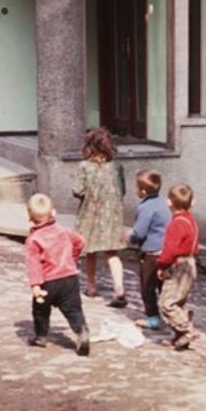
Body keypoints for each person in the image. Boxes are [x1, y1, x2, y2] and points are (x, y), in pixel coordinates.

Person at [25, 193, 91, 356]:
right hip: (69, 278)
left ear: (30, 217)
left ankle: (41, 336)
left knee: (40, 309)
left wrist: (35, 285)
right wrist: (72, 258)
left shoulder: (34, 239)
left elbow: (33, 264)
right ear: (53, 213)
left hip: (48, 281)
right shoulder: (63, 231)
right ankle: (81, 331)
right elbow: (80, 241)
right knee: (74, 309)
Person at [72, 128, 127, 307]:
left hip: (91, 214)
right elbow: (122, 190)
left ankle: (91, 286)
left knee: (91, 251)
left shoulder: (85, 166)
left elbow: (78, 190)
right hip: (112, 215)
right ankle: (119, 288)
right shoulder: (117, 166)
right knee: (113, 253)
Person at [125, 169, 171, 330]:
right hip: (166, 252)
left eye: (137, 188)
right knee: (164, 286)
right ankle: (173, 315)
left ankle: (153, 318)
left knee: (147, 287)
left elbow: (140, 232)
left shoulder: (146, 207)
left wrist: (129, 238)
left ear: (143, 191)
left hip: (151, 254)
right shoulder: (164, 202)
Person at [157, 184, 201, 350]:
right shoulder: (191, 220)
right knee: (179, 301)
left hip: (179, 265)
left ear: (169, 202)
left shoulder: (176, 224)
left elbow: (170, 250)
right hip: (190, 263)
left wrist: (161, 265)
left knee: (167, 303)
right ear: (192, 202)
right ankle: (179, 337)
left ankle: (187, 330)